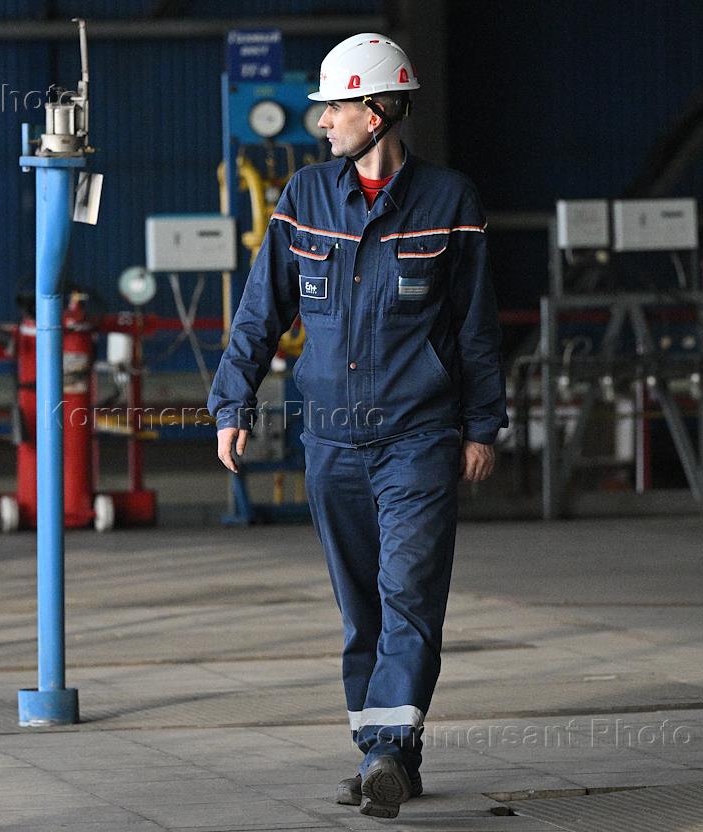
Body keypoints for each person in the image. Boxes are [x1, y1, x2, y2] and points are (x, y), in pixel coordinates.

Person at [207, 33, 508, 819]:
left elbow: (475, 327)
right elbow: (261, 310)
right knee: (361, 610)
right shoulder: (305, 197)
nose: (322, 122)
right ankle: (388, 753)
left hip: (419, 437)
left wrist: (482, 426)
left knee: (409, 595)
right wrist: (232, 402)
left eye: (334, 107)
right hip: (331, 440)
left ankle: (384, 751)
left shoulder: (450, 202)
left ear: (377, 112)